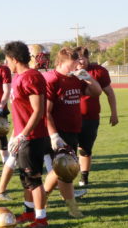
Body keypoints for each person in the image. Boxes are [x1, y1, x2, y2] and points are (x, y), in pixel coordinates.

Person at [41, 47, 101, 218]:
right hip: (59, 132)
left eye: (77, 62)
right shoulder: (52, 79)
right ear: (60, 63)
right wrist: (54, 135)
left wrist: (88, 78)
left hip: (73, 130)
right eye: (72, 63)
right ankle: (72, 209)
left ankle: (43, 196)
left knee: (61, 169)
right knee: (66, 170)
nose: (76, 66)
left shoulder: (76, 78)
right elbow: (46, 112)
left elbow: (96, 92)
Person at [4, 41, 51, 228]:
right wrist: (15, 135)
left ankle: (41, 218)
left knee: (34, 178)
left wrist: (23, 135)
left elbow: (38, 111)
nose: (6, 63)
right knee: (25, 178)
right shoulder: (19, 77)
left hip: (33, 138)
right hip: (23, 136)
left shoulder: (30, 77)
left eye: (7, 60)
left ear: (14, 59)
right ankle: (29, 211)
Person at [74, 47, 119, 189]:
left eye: (82, 57)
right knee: (66, 151)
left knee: (85, 149)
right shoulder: (68, 72)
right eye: (77, 58)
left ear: (87, 58)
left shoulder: (98, 71)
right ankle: (65, 179)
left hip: (90, 117)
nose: (80, 61)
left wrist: (114, 113)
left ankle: (84, 177)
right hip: (70, 118)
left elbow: (109, 93)